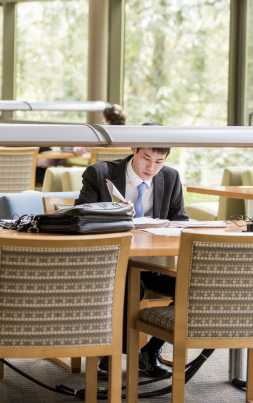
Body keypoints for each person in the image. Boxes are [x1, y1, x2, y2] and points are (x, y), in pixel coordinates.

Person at [75, 125, 188, 378]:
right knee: (128, 287)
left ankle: (150, 350)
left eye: (159, 161)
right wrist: (111, 210)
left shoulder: (170, 177)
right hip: (112, 264)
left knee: (196, 286)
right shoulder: (100, 172)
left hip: (154, 264)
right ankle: (109, 352)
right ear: (133, 149)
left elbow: (180, 221)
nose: (152, 167)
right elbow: (80, 217)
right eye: (147, 157)